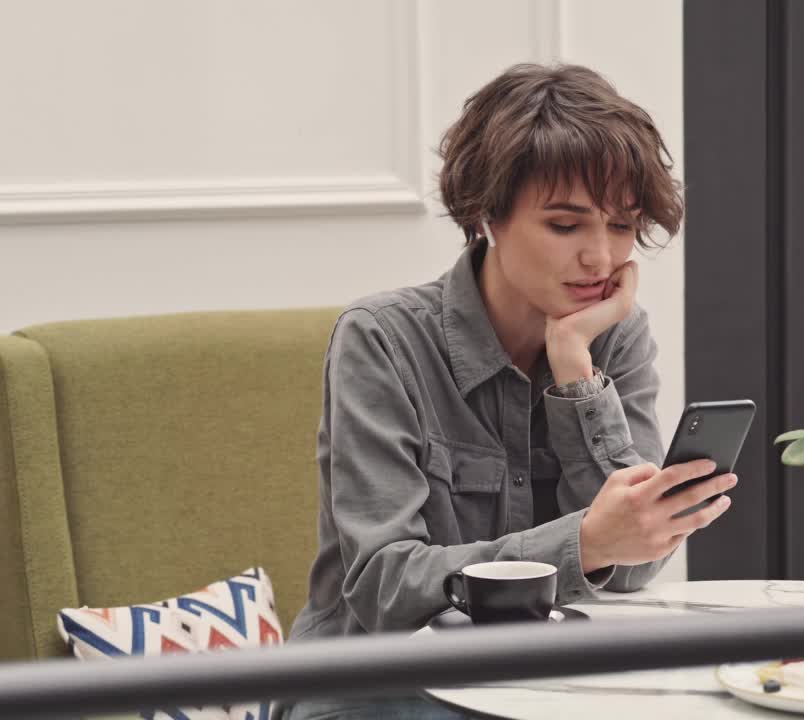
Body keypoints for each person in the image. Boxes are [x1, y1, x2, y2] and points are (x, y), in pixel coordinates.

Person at [282, 63, 737, 720]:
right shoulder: (381, 341)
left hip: (536, 691)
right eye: (565, 225)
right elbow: (383, 586)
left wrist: (577, 373)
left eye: (620, 226)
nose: (601, 260)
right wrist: (584, 542)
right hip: (371, 688)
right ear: (486, 214)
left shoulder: (614, 339)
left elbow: (634, 567)